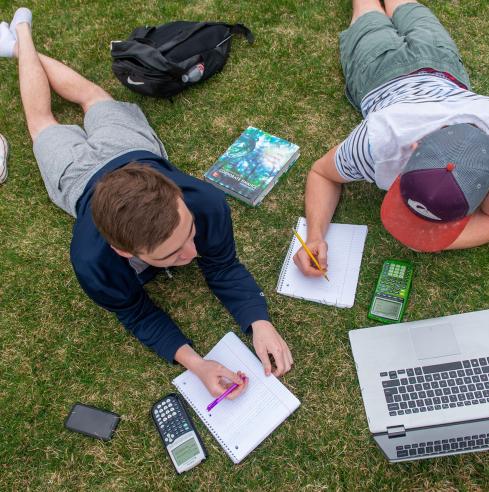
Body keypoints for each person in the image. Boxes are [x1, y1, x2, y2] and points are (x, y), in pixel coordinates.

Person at [1, 8, 293, 399]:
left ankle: (20, 48)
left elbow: (222, 265)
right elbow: (136, 313)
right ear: (124, 251)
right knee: (41, 121)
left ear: (175, 194)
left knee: (92, 96)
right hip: (77, 179)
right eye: (171, 254)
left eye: (189, 233)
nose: (193, 253)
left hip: (131, 150)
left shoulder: (204, 202)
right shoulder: (92, 262)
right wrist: (197, 363)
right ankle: (21, 35)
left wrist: (259, 322)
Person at [294, 0, 489, 277]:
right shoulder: (378, 142)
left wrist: (429, 239)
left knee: (389, 10)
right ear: (413, 147)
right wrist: (314, 234)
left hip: (440, 63)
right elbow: (322, 172)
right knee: (367, 7)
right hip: (377, 71)